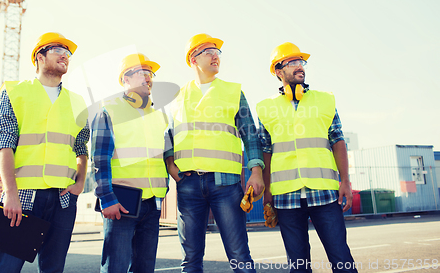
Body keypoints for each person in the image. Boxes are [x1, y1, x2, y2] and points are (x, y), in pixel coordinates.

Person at [165, 33, 264, 273]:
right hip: (188, 183)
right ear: (192, 59)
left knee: (240, 256)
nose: (215, 56)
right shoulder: (177, 97)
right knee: (190, 260)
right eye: (208, 52)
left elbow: (250, 134)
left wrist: (256, 171)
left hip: (226, 183)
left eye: (217, 52)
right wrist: (170, 165)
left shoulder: (233, 92)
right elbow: (168, 135)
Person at [0, 32, 90, 272]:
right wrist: (10, 193)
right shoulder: (15, 92)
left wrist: (81, 182)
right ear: (39, 56)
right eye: (59, 50)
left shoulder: (77, 101)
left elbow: (81, 147)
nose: (65, 56)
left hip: (63, 199)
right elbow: (4, 143)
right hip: (23, 195)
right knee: (7, 268)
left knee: (53, 270)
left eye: (68, 53)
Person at [257, 42, 357, 273]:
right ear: (278, 71)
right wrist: (268, 192)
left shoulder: (325, 100)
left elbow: (338, 141)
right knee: (298, 265)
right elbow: (266, 151)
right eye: (292, 62)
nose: (299, 66)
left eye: (301, 62)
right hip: (286, 196)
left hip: (324, 193)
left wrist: (345, 182)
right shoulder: (265, 107)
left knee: (341, 258)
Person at [91, 53, 169, 273]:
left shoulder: (157, 115)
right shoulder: (110, 109)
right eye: (142, 73)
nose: (148, 78)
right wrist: (106, 199)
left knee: (145, 268)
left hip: (152, 203)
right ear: (125, 79)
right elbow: (99, 158)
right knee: (116, 267)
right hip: (122, 202)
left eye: (150, 73)